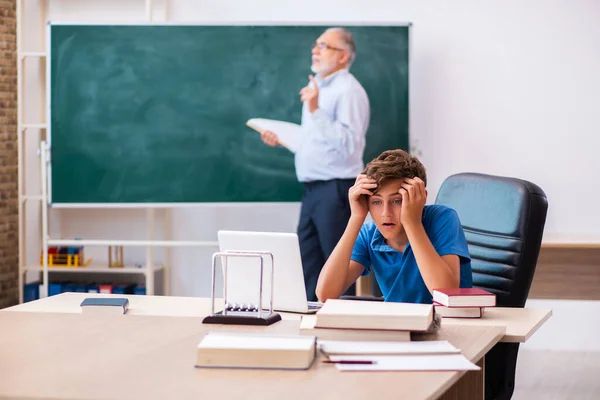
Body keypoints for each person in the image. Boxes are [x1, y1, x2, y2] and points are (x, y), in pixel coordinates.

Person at [260, 27, 370, 301]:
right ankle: (310, 324)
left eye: (324, 46)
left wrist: (316, 110)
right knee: (309, 267)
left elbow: (350, 145)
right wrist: (284, 140)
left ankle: (343, 331)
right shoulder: (317, 89)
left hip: (336, 191)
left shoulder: (348, 91)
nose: (315, 50)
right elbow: (320, 143)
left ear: (343, 56)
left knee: (339, 270)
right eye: (316, 45)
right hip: (313, 191)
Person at [315, 149, 473, 304]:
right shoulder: (369, 235)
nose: (386, 213)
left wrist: (413, 223)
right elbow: (325, 294)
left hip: (445, 325)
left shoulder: (442, 218)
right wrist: (356, 217)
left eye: (397, 201)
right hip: (397, 324)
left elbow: (446, 293)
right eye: (376, 202)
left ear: (421, 197)